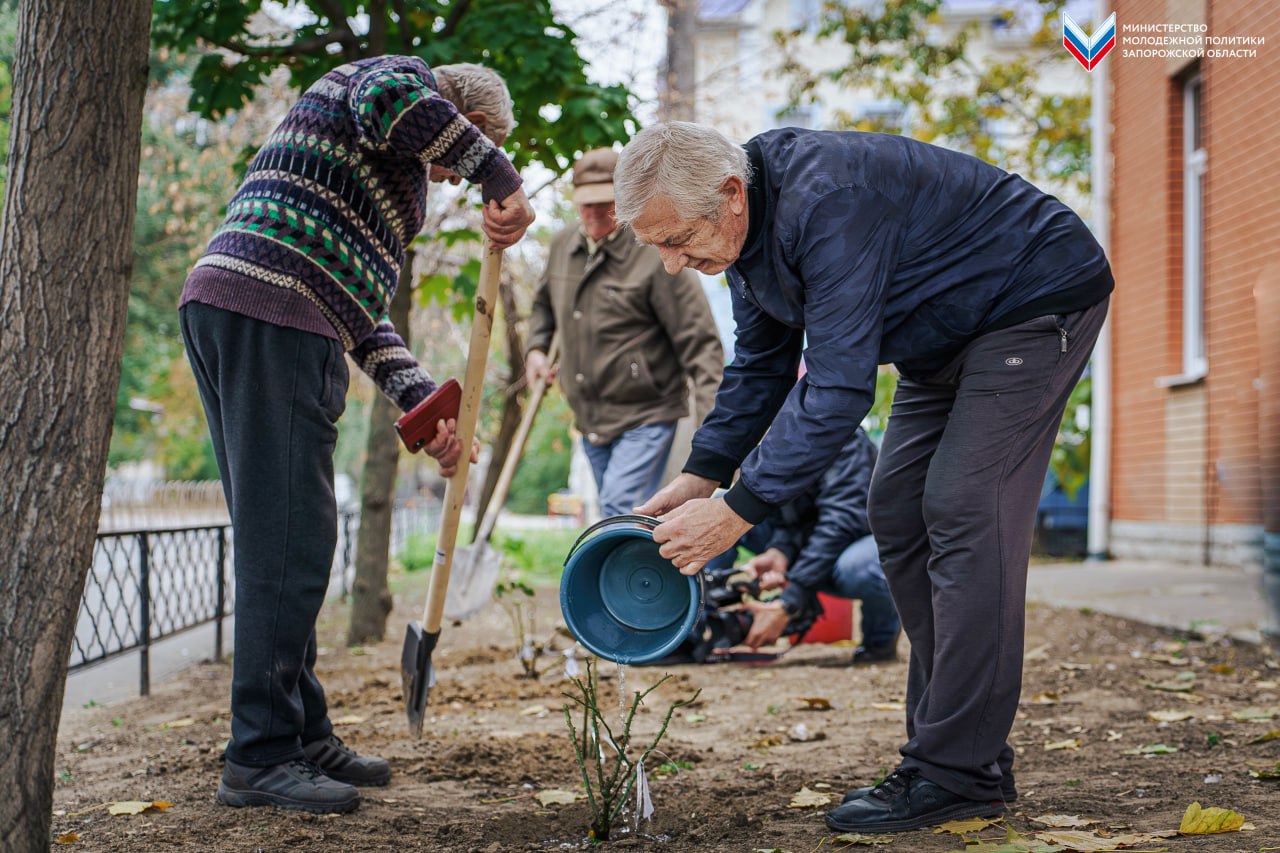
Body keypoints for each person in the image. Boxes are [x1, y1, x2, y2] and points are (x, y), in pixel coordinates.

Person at [613, 122, 1112, 833]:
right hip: (941, 334)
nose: (670, 265)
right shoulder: (743, 233)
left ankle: (953, 770)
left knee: (964, 508)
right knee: (897, 511)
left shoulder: (828, 201)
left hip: (1031, 297)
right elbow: (762, 366)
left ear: (730, 194)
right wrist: (702, 474)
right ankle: (967, 754)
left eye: (676, 239)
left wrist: (737, 510)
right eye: (656, 246)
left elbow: (839, 389)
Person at [179, 56, 535, 815]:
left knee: (285, 537)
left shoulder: (377, 171)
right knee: (292, 541)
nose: (453, 178)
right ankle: (259, 755)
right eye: (460, 161)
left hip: (251, 307)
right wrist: (499, 174)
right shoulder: (394, 84)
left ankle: (302, 734)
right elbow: (392, 96)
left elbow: (361, 314)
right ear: (467, 122)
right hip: (271, 314)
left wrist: (427, 408)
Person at [525, 148, 723, 518]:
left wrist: (714, 436)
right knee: (620, 513)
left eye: (605, 203)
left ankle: (634, 558)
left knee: (619, 508)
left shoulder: (654, 250)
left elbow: (702, 344)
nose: (595, 213)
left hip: (647, 412)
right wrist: (536, 349)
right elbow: (542, 307)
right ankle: (654, 555)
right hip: (589, 414)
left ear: (623, 200)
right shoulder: (563, 246)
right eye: (587, 204)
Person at [704, 428, 900, 661]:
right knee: (721, 506)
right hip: (808, 540)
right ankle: (696, 627)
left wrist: (790, 601)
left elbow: (841, 521)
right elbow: (786, 510)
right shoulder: (776, 434)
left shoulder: (843, 434)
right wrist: (780, 550)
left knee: (861, 569)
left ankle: (879, 642)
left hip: (856, 540)